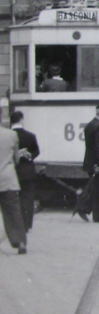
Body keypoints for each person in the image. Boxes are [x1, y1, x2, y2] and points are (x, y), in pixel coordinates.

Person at [0, 107, 27, 254]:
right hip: (8, 179)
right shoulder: (12, 135)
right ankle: (19, 241)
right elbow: (16, 159)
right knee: (13, 212)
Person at [10, 111, 40, 232]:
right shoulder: (30, 136)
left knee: (13, 199)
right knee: (27, 198)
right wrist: (29, 155)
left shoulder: (8, 135)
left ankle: (16, 224)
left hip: (12, 171)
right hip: (27, 171)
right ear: (21, 120)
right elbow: (37, 151)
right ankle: (27, 224)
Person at [81, 105, 99, 223]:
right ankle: (97, 216)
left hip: (89, 162)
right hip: (96, 164)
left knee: (94, 189)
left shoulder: (90, 125)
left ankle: (85, 208)